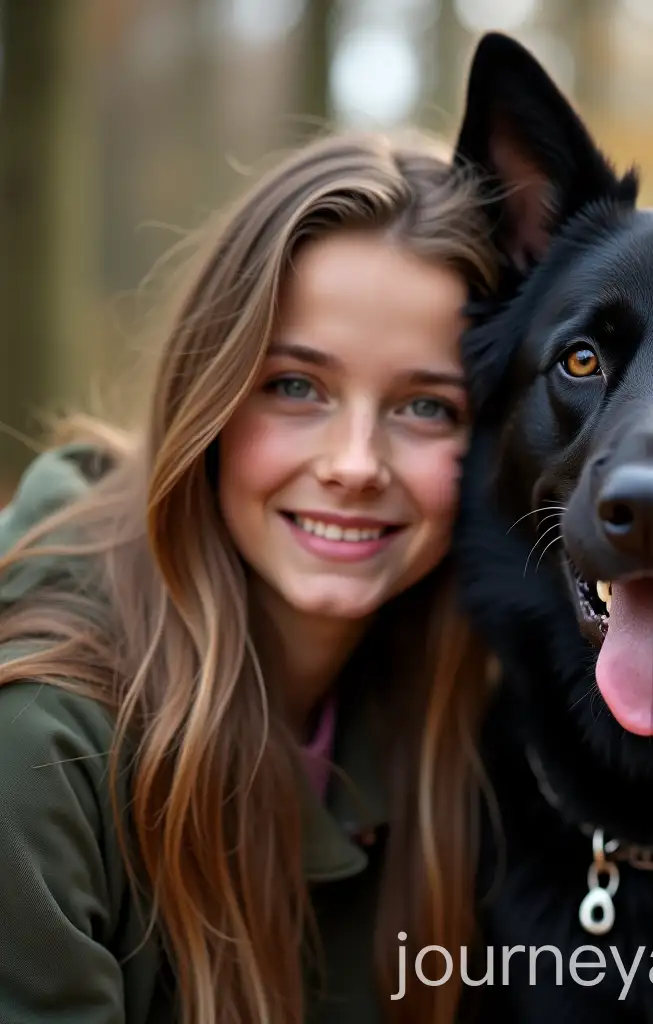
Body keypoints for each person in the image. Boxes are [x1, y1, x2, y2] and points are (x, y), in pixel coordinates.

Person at [0, 132, 499, 1024]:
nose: (355, 464)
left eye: (428, 407)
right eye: (296, 386)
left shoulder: (470, 723)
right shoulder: (38, 747)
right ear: (211, 394)